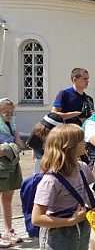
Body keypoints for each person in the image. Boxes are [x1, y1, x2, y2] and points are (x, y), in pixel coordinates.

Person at [32, 124, 95, 250]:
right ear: (69, 146)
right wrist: (71, 221)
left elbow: (83, 193)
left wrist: (94, 204)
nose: (85, 142)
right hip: (58, 234)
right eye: (81, 140)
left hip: (81, 228)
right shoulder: (51, 181)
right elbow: (37, 218)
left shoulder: (82, 168)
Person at [0, 98, 26, 246]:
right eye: (6, 113)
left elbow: (18, 143)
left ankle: (8, 230)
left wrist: (14, 146)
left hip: (11, 163)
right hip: (1, 165)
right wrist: (9, 148)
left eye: (12, 113)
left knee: (8, 199)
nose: (9, 116)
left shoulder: (12, 124)